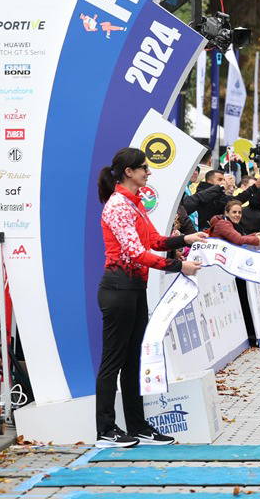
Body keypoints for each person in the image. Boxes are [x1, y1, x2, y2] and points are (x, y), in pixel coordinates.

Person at [95, 148, 206, 448]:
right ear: (128, 172)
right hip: (118, 288)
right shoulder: (118, 205)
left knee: (133, 361)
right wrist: (178, 265)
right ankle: (105, 429)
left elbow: (154, 241)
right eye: (143, 167)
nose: (148, 172)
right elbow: (135, 252)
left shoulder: (135, 204)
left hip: (134, 289)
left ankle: (137, 425)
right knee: (113, 362)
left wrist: (186, 238)